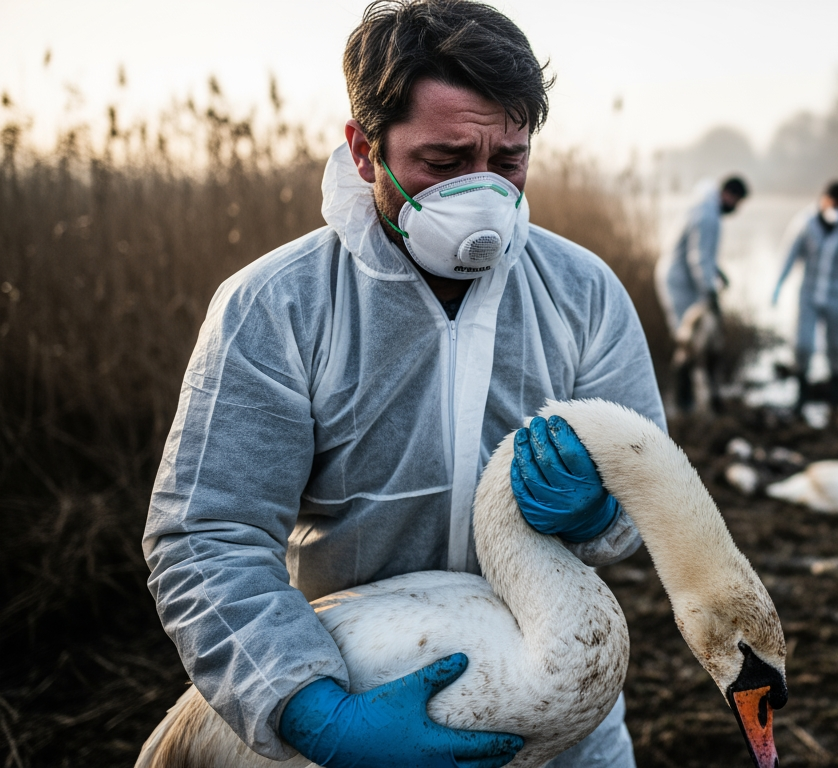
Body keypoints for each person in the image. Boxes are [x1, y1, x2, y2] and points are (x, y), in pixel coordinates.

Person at [142, 3, 662, 767]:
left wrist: (603, 508)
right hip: (367, 701)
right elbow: (207, 536)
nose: (482, 199)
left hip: (555, 709)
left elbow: (646, 499)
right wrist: (314, 714)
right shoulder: (278, 307)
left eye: (508, 161)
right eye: (444, 164)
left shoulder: (582, 294)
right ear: (363, 149)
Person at [772, 180, 838, 412]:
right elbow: (789, 254)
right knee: (803, 344)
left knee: (836, 345)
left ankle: (836, 394)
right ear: (823, 199)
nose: (836, 209)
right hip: (808, 293)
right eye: (832, 203)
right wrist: (779, 282)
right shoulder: (804, 222)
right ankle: (801, 394)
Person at [656, 176, 748, 411]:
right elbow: (698, 258)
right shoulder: (709, 216)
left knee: (694, 340)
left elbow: (699, 252)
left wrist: (718, 272)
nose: (736, 209)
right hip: (680, 282)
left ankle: (689, 401)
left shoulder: (705, 206)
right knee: (689, 340)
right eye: (737, 203)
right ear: (730, 195)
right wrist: (711, 293)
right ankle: (682, 403)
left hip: (684, 278)